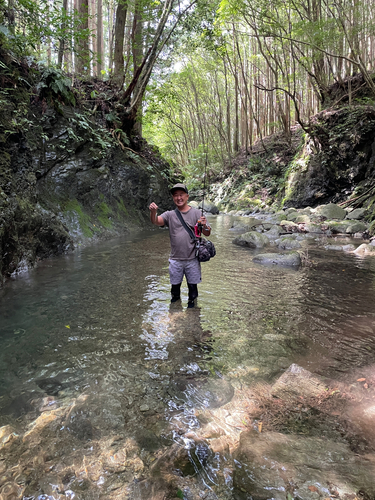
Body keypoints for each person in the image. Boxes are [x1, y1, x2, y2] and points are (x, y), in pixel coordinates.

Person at [149, 183, 211, 308]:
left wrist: (204, 225)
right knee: (175, 290)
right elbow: (156, 221)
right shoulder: (169, 214)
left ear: (187, 196)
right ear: (173, 198)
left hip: (193, 259)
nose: (179, 198)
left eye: (181, 195)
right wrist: (153, 212)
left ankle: (192, 313)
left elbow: (207, 233)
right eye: (176, 195)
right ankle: (174, 312)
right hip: (175, 259)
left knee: (193, 290)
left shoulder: (197, 213)